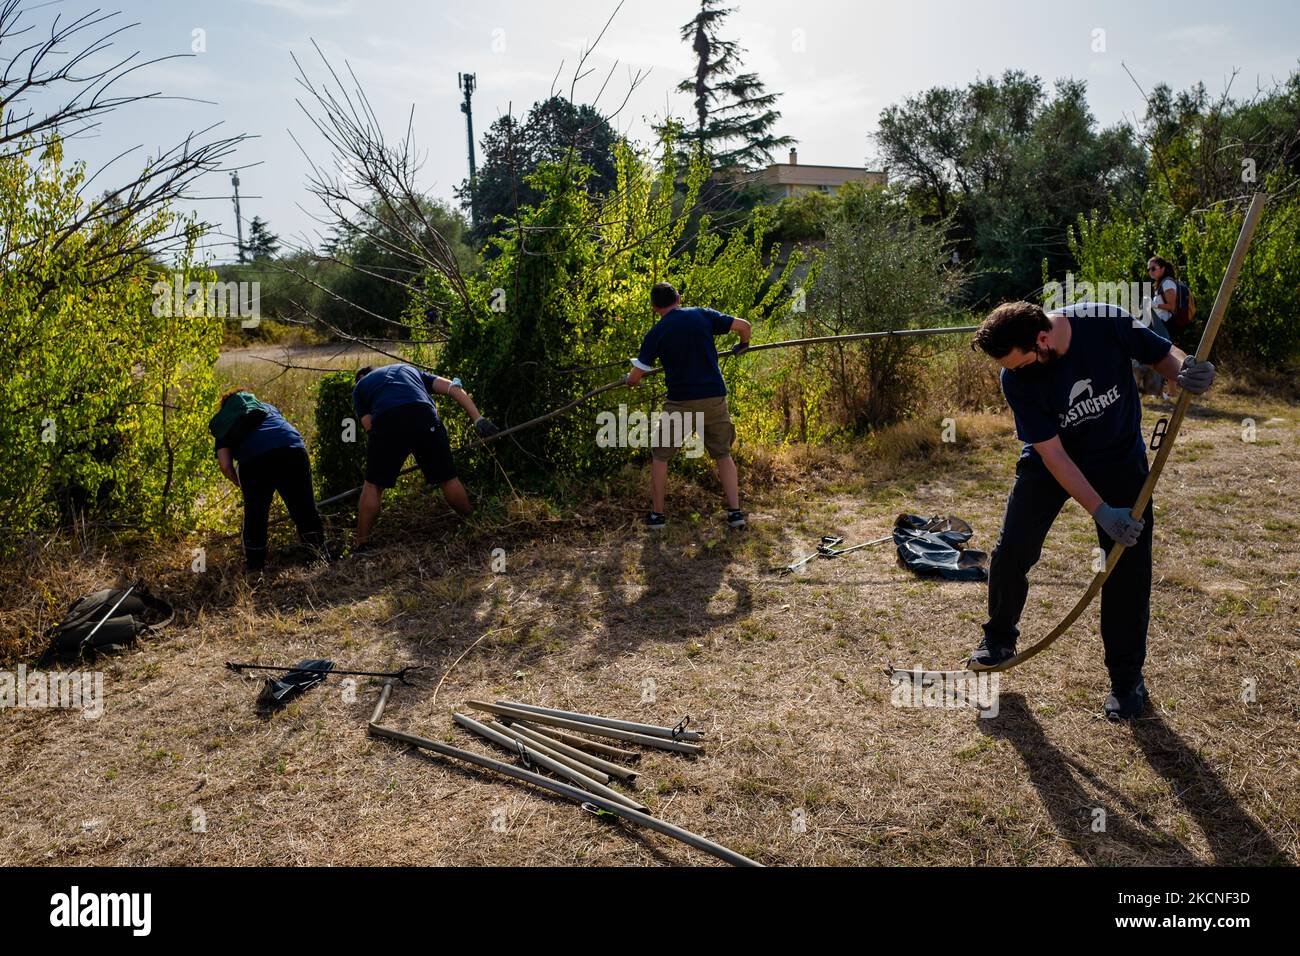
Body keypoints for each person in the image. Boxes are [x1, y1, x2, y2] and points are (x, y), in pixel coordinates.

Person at [967, 301, 1216, 719]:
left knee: (1128, 570)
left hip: (1119, 459)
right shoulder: (1015, 378)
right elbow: (1055, 457)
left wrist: (1186, 372)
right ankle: (998, 638)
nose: (1016, 372)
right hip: (1052, 462)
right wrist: (1101, 511)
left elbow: (1161, 354)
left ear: (1042, 339)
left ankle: (1126, 681)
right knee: (1012, 548)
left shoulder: (1103, 320)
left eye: (1022, 362)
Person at [626, 282, 752, 530]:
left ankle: (657, 516)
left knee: (661, 455)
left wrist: (627, 380)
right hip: (713, 397)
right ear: (679, 298)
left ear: (654, 307)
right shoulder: (702, 315)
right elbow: (744, 326)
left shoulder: (656, 333)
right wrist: (743, 344)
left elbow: (634, 378)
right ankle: (735, 513)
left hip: (680, 402)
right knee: (722, 453)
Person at [351, 363, 498, 550]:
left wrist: (390, 449)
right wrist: (478, 419)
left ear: (360, 379)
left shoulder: (359, 388)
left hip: (386, 421)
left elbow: (369, 426)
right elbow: (453, 388)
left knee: (373, 485)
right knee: (447, 478)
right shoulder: (406, 369)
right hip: (424, 414)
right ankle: (474, 522)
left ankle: (362, 544)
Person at [212, 390, 326, 572]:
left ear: (225, 407)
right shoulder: (268, 408)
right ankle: (318, 556)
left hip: (255, 461)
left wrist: (240, 483)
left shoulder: (223, 423)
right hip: (293, 450)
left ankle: (255, 568)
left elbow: (225, 465)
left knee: (255, 514)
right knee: (304, 508)